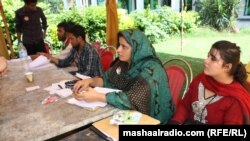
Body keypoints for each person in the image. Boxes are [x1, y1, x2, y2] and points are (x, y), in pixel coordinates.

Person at [73, 29, 173, 124]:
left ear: (136, 48)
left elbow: (132, 100)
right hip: (124, 113)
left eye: (124, 47)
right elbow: (106, 79)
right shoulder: (124, 62)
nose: (118, 50)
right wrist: (90, 81)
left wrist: (97, 96)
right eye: (119, 45)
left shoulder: (152, 69)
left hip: (151, 119)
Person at [169, 40, 250, 125]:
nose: (206, 61)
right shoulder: (201, 79)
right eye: (208, 56)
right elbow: (185, 105)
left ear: (227, 67)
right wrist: (176, 121)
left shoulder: (235, 99)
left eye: (213, 59)